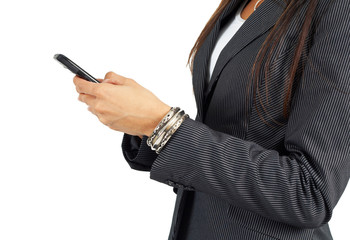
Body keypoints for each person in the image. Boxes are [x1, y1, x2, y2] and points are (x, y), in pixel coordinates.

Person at [72, 0, 350, 239]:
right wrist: (145, 126)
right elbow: (230, 126)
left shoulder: (338, 9)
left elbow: (310, 192)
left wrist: (162, 124)